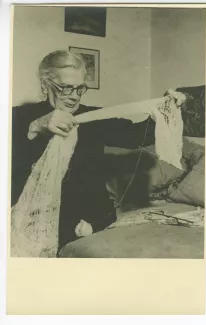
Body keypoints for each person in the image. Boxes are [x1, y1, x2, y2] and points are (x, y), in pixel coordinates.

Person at [11, 50, 187, 256]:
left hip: (90, 215)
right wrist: (36, 126)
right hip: (37, 214)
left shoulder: (91, 117)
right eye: (66, 88)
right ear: (45, 85)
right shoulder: (19, 117)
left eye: (80, 88)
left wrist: (167, 109)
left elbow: (138, 135)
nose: (74, 96)